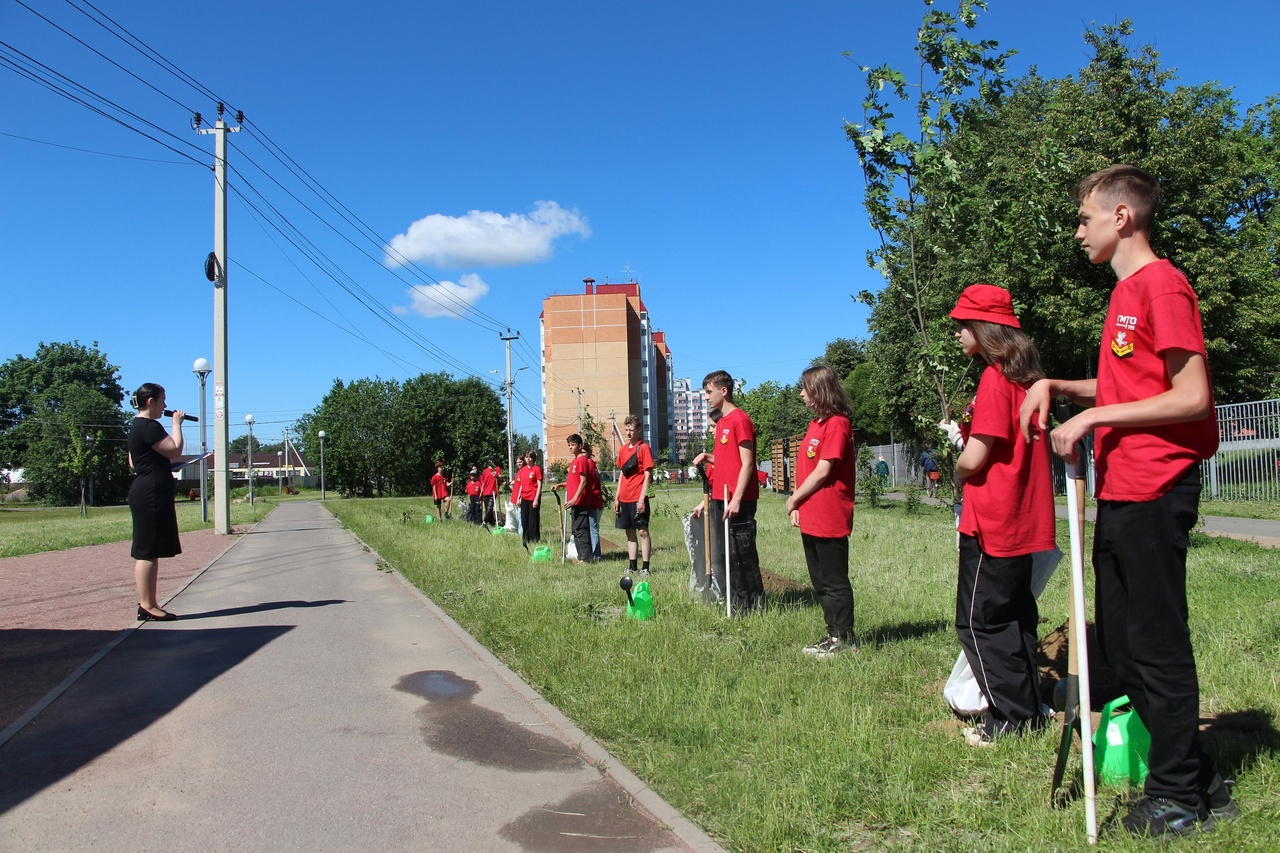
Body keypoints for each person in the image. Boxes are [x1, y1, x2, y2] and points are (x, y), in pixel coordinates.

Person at [1019, 165, 1236, 836]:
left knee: (1156, 642)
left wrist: (1092, 421)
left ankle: (1176, 796)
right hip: (1121, 489)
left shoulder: (1162, 286)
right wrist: (1061, 384)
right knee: (1118, 641)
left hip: (1157, 486)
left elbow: (1193, 395)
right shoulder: (1125, 296)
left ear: (1123, 218)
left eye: (1086, 218)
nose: (1077, 231)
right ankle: (1195, 775)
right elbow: (1126, 383)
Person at [938, 284, 1055, 746]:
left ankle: (1008, 717)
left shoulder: (993, 379)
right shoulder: (1026, 378)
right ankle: (1028, 708)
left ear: (986, 330)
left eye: (963, 325)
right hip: (1024, 517)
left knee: (978, 620)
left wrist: (959, 469)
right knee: (1017, 616)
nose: (958, 333)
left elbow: (978, 454)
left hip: (993, 520)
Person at [785, 366, 858, 657]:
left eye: (805, 388)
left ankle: (844, 639)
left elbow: (823, 470)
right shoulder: (816, 424)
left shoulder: (838, 424)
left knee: (833, 580)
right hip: (811, 513)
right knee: (819, 582)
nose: (802, 394)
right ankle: (832, 636)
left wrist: (793, 499)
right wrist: (800, 505)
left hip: (829, 513)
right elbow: (807, 470)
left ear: (820, 390)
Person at [691, 370, 764, 611]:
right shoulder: (721, 423)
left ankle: (753, 604)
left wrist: (737, 499)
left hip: (737, 500)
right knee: (727, 555)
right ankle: (737, 601)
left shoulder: (740, 420)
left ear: (724, 391)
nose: (707, 397)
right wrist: (708, 456)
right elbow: (727, 460)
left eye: (709, 392)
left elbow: (747, 462)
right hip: (722, 497)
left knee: (742, 553)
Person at [127, 383, 185, 622]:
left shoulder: (136, 427)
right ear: (150, 401)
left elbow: (132, 462)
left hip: (146, 489)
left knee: (150, 550)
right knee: (147, 550)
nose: (165, 407)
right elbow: (174, 450)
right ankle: (147, 605)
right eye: (163, 401)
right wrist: (176, 425)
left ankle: (149, 602)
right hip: (150, 493)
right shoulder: (149, 426)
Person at [613, 415, 654, 575]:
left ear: (639, 430)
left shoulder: (643, 448)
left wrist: (642, 498)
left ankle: (645, 567)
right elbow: (622, 474)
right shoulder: (623, 450)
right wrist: (617, 497)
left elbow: (648, 474)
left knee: (642, 531)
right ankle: (632, 566)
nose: (628, 433)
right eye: (626, 430)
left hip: (638, 497)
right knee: (629, 532)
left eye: (631, 430)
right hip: (624, 498)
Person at [562, 434, 603, 562]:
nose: (570, 447)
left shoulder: (582, 461)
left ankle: (586, 558)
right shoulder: (574, 461)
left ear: (580, 446)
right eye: (569, 445)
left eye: (573, 445)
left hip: (581, 501)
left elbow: (583, 481)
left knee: (582, 530)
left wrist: (574, 498)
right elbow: (572, 482)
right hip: (574, 502)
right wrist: (559, 485)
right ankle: (581, 557)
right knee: (576, 530)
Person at [520, 450, 543, 545]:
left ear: (533, 458)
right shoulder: (523, 469)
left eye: (530, 457)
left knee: (533, 520)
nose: (528, 458)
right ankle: (525, 538)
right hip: (524, 497)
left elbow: (539, 485)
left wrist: (536, 499)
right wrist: (519, 498)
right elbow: (522, 484)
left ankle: (535, 539)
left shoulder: (537, 469)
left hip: (533, 497)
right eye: (526, 457)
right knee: (524, 519)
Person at [479, 457, 499, 526]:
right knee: (487, 508)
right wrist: (481, 493)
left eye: (491, 460)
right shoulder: (485, 471)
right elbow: (482, 482)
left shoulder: (497, 469)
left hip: (493, 491)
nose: (490, 461)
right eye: (488, 460)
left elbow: (499, 478)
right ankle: (492, 523)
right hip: (485, 492)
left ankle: (484, 521)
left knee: (490, 508)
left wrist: (496, 475)